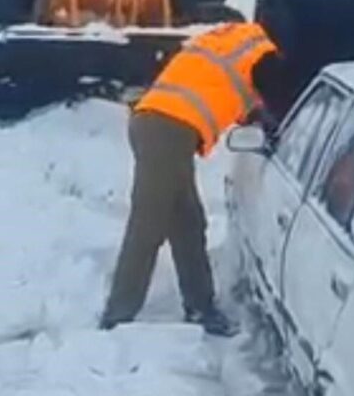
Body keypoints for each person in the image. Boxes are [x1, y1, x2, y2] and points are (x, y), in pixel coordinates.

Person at [99, 20, 292, 337]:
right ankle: (117, 316)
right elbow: (273, 96)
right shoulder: (263, 55)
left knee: (188, 222)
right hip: (169, 130)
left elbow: (227, 90)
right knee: (148, 224)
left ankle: (201, 307)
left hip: (155, 121)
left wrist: (256, 115)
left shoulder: (233, 39)